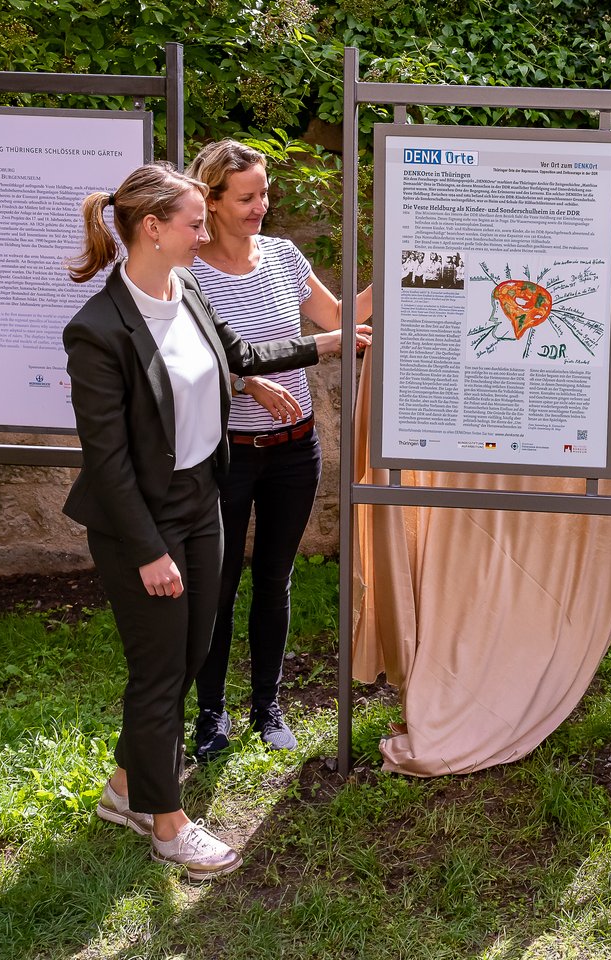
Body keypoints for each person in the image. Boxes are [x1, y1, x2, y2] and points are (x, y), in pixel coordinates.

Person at [63, 162, 362, 878]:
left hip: (202, 495)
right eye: (196, 223)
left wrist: (325, 344)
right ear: (153, 229)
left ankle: (124, 789)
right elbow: (107, 463)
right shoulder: (97, 332)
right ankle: (167, 824)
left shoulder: (186, 285)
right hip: (142, 517)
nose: (207, 234)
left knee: (192, 653)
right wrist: (146, 550)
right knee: (160, 671)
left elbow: (242, 356)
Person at [181, 140, 374, 761]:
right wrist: (246, 382)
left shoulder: (285, 257)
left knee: (275, 577)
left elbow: (339, 317)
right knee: (217, 582)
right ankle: (212, 713)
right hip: (229, 452)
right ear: (210, 202)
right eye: (246, 197)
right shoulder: (190, 271)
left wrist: (402, 266)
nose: (260, 206)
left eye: (264, 193)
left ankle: (268, 705)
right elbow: (190, 360)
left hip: (296, 450)